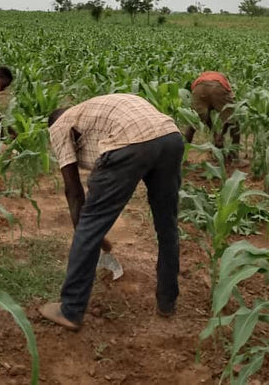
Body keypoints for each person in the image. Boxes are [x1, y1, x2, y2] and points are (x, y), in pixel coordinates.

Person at [39, 94, 185, 331]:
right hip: (170, 137)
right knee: (167, 224)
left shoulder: (60, 125)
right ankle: (167, 302)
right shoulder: (95, 110)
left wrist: (91, 234)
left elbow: (74, 192)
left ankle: (71, 309)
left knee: (89, 224)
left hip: (132, 143)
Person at [185, 71, 241, 162]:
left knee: (193, 122)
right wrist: (221, 135)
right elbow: (228, 118)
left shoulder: (202, 77)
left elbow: (205, 118)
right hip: (217, 88)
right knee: (234, 121)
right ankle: (234, 157)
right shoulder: (223, 79)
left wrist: (215, 134)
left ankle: (181, 157)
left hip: (198, 88)